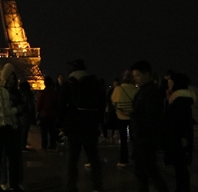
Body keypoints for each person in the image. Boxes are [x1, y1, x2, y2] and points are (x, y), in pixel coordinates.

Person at [59, 59, 104, 192]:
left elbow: (61, 107)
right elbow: (102, 104)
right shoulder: (94, 83)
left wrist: (63, 125)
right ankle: (97, 187)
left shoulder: (68, 84)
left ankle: (71, 186)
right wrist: (99, 122)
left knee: (73, 159)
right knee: (93, 158)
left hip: (74, 126)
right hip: (90, 125)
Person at [130, 60, 168, 192]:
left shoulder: (151, 93)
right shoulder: (143, 91)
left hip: (145, 139)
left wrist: (136, 118)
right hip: (141, 138)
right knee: (142, 173)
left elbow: (152, 117)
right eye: (134, 76)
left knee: (150, 172)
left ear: (147, 74)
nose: (136, 79)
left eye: (138, 75)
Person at [163, 73, 194, 192]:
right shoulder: (176, 99)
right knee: (179, 168)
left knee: (180, 168)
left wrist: (183, 140)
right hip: (177, 138)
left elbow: (180, 121)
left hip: (179, 139)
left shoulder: (180, 100)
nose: (168, 84)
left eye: (171, 82)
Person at [111, 70, 138, 167]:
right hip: (133, 116)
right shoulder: (136, 89)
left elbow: (113, 101)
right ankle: (136, 158)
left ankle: (124, 160)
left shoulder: (118, 89)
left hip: (121, 116)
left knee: (123, 140)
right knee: (134, 139)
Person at [36, 76, 60, 150]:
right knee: (52, 131)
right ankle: (52, 145)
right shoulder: (54, 93)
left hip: (44, 114)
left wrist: (39, 111)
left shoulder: (42, 93)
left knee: (44, 132)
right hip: (52, 114)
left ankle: (44, 145)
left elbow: (39, 104)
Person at [19, 81, 37, 151]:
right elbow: (31, 106)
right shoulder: (29, 95)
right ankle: (23, 146)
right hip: (27, 115)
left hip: (22, 115)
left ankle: (21, 145)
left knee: (22, 131)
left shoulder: (21, 95)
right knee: (25, 131)